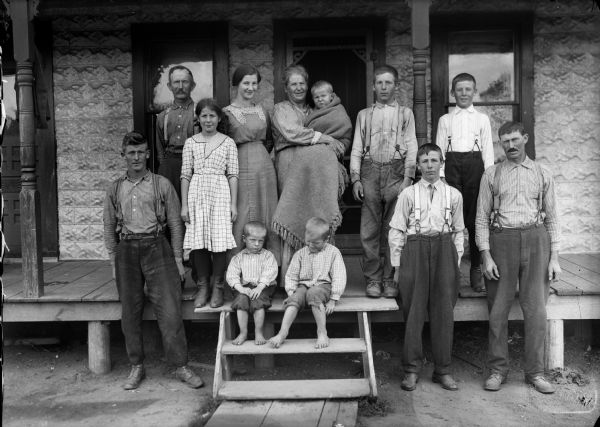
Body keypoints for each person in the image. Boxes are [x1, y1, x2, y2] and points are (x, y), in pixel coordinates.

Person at [103, 131, 203, 390]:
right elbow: (108, 225)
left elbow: (175, 223)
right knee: (130, 312)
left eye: (141, 152)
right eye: (131, 153)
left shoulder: (162, 184)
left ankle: (180, 365)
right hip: (126, 250)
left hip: (157, 246)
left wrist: (179, 259)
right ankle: (136, 366)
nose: (136, 157)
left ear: (148, 154)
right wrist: (113, 260)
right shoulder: (114, 188)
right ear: (123, 155)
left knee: (170, 311)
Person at [475, 121, 561, 394]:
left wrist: (554, 257)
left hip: (536, 240)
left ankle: (535, 372)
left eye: (515, 139)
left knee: (536, 310)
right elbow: (480, 219)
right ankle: (498, 370)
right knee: (498, 310)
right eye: (505, 141)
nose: (510, 146)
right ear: (500, 144)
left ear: (525, 138)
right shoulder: (492, 174)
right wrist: (485, 255)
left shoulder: (542, 172)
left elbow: (553, 219)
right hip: (502, 241)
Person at [389, 143, 464, 392]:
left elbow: (458, 232)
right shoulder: (408, 194)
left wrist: (455, 263)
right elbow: (396, 232)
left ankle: (443, 370)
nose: (430, 166)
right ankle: (411, 369)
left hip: (444, 249)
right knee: (414, 312)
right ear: (418, 165)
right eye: (425, 161)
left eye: (434, 160)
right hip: (415, 250)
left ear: (442, 163)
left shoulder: (454, 194)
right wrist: (397, 266)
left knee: (444, 312)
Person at [350, 64, 418, 298]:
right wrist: (356, 178)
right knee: (368, 231)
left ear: (396, 86)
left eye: (389, 83)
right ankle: (372, 279)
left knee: (393, 229)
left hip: (396, 172)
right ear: (373, 86)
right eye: (380, 82)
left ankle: (389, 278)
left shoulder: (405, 114)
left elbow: (412, 146)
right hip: (369, 172)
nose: (384, 87)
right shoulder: (364, 115)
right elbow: (357, 148)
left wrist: (408, 178)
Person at [271, 65, 343, 276]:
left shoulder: (317, 109)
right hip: (290, 163)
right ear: (286, 88)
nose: (299, 87)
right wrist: (325, 138)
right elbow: (293, 132)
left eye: (302, 83)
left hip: (318, 169)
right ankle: (293, 276)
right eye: (293, 84)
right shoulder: (281, 109)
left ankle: (321, 274)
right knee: (294, 210)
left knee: (318, 212)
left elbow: (336, 126)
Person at [435, 73, 494, 292]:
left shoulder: (482, 119)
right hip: (451, 168)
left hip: (475, 169)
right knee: (452, 219)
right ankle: (453, 271)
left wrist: (488, 177)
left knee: (476, 219)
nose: (463, 93)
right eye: (459, 89)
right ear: (453, 93)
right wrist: (440, 176)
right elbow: (439, 150)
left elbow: (487, 150)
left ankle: (477, 269)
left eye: (468, 89)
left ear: (474, 91)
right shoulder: (445, 120)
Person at [181, 98, 239, 309]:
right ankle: (203, 286)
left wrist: (233, 204)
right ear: (198, 118)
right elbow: (185, 175)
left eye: (212, 116)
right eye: (204, 116)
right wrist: (185, 205)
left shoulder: (228, 142)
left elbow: (232, 174)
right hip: (197, 192)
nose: (208, 120)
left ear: (219, 118)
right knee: (200, 243)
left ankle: (218, 287)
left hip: (220, 192)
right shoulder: (191, 143)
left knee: (219, 242)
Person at [223, 65, 281, 264]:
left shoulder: (262, 110)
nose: (250, 87)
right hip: (239, 165)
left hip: (264, 167)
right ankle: (238, 271)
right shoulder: (227, 113)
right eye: (245, 83)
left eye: (254, 83)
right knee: (242, 213)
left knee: (267, 210)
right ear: (236, 85)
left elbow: (270, 139)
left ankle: (269, 272)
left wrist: (260, 153)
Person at [269, 217, 347, 349]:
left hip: (323, 286)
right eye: (308, 242)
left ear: (326, 240)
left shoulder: (333, 253)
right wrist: (291, 292)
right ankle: (283, 332)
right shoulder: (300, 254)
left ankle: (322, 332)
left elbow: (339, 276)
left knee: (314, 293)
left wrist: (333, 299)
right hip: (303, 286)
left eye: (316, 243)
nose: (311, 245)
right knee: (295, 298)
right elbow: (292, 275)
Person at [226, 221, 278, 346]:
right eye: (253, 240)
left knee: (257, 301)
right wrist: (241, 289)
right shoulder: (238, 257)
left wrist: (260, 287)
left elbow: (270, 272)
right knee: (241, 301)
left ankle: (258, 332)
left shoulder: (267, 256)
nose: (256, 244)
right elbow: (232, 275)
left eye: (260, 241)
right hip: (244, 288)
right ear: (244, 239)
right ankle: (243, 333)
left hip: (264, 287)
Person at [155, 65, 198, 199]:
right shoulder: (163, 116)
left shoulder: (201, 114)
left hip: (195, 166)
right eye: (176, 82)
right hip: (170, 167)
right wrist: (165, 169)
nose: (180, 86)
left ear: (193, 85)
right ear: (169, 86)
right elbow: (160, 150)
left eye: (185, 82)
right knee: (169, 210)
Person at [305, 80, 353, 199]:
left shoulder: (338, 110)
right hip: (315, 152)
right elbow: (308, 128)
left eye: (323, 96)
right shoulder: (312, 112)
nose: (320, 99)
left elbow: (343, 126)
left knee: (330, 193)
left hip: (333, 149)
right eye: (316, 97)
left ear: (331, 96)